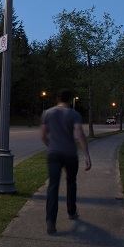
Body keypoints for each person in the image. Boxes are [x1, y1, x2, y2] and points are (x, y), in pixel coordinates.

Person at [41, 89, 91, 234]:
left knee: (53, 186)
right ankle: (71, 211)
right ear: (69, 100)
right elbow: (79, 134)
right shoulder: (74, 114)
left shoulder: (48, 113)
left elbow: (43, 135)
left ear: (58, 98)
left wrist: (51, 146)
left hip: (54, 154)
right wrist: (87, 155)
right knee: (71, 182)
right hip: (70, 154)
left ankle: (51, 221)